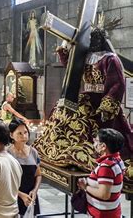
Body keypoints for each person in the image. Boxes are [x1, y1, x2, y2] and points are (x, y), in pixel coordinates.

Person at [34, 21, 133, 176]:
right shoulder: (86, 57)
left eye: (96, 39)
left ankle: (99, 159)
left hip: (101, 101)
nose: (93, 43)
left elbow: (117, 83)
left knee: (96, 129)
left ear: (102, 40)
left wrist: (107, 104)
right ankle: (62, 151)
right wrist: (64, 48)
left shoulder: (110, 59)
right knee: (65, 115)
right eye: (91, 40)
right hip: (86, 97)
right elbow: (71, 66)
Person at [77, 128, 125, 218]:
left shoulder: (106, 166)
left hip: (103, 214)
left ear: (103, 146)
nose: (94, 143)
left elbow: (104, 195)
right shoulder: (117, 160)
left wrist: (85, 187)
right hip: (111, 212)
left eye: (96, 140)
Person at [8, 118, 41, 216]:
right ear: (11, 135)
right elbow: (5, 181)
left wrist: (35, 191)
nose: (24, 136)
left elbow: (38, 175)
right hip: (13, 198)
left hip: (31, 197)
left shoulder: (34, 152)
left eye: (25, 132)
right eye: (20, 133)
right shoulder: (7, 154)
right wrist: (21, 195)